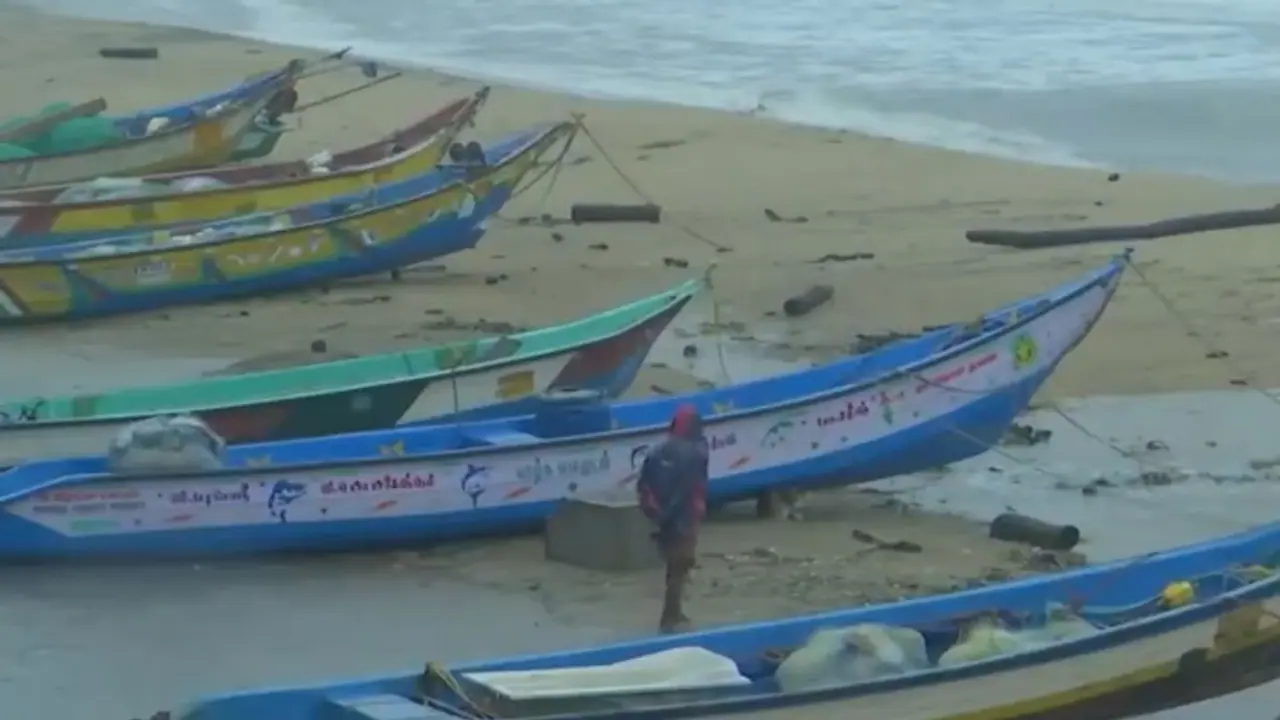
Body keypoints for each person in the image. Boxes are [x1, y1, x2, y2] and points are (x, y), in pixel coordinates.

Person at [636, 403, 709, 633]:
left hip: (660, 515)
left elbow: (643, 484)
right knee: (680, 566)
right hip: (682, 517)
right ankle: (670, 617)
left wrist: (657, 515)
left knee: (674, 566)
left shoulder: (657, 451)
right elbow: (692, 490)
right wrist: (684, 517)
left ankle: (673, 612)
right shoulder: (696, 453)